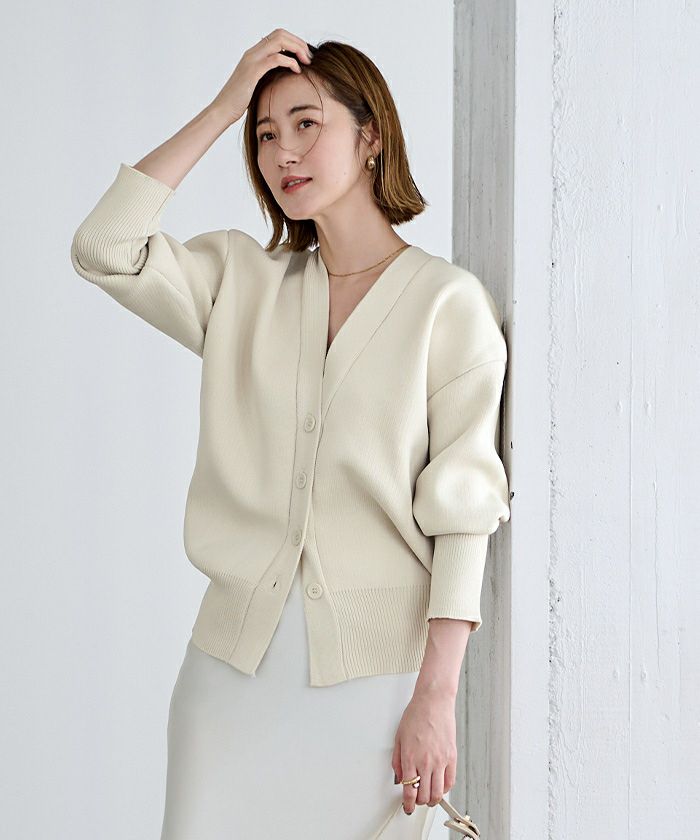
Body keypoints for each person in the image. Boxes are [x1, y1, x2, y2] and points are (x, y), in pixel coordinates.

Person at [70, 30, 511, 840]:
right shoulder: (241, 281)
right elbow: (104, 248)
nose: (283, 152)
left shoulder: (447, 304)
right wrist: (223, 107)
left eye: (308, 123)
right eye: (266, 133)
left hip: (377, 692)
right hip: (227, 683)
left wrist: (437, 696)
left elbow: (465, 509)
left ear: (371, 135)